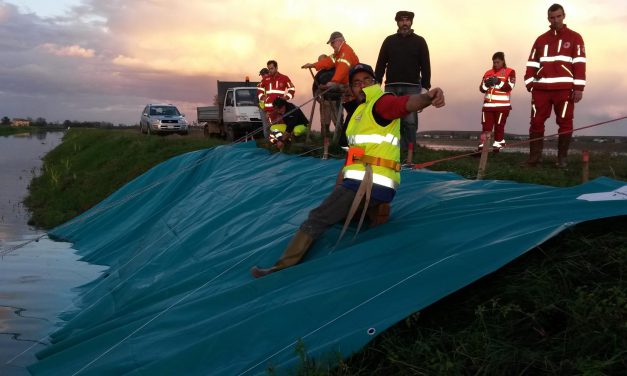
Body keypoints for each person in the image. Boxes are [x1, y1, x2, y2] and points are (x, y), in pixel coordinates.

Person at [251, 63, 445, 278]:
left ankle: (281, 268)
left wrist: (428, 97)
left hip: (371, 181)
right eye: (356, 83)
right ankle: (375, 212)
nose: (361, 85)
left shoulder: (381, 102)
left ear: (375, 83)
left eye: (366, 80)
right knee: (340, 213)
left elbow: (404, 104)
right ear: (351, 88)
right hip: (361, 180)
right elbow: (354, 154)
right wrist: (339, 184)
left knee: (318, 217)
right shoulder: (360, 113)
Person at [523, 3, 586, 168]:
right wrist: (530, 83)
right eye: (552, 17)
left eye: (558, 16)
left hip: (564, 89)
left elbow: (580, 63)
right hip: (541, 90)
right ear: (548, 18)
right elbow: (532, 62)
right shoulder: (541, 39)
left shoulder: (575, 37)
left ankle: (562, 159)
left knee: (565, 123)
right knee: (536, 122)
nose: (556, 20)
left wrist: (578, 88)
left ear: (564, 16)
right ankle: (534, 158)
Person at [375, 10, 431, 165]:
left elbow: (425, 65)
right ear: (397, 22)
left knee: (410, 122)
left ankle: (409, 157)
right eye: (402, 20)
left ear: (411, 22)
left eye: (407, 20)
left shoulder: (420, 41)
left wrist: (425, 88)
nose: (405, 23)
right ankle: (391, 152)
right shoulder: (389, 41)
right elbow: (381, 62)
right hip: (391, 86)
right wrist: (376, 82)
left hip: (412, 87)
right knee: (390, 120)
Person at [478, 52, 516, 152]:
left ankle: (498, 148)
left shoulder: (510, 72)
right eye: (494, 62)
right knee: (486, 127)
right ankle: (482, 148)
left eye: (497, 62)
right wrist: (486, 84)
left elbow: (509, 87)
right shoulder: (487, 73)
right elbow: (481, 89)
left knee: (499, 127)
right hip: (487, 106)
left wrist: (498, 82)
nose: (495, 64)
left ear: (503, 61)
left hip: (502, 106)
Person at [257, 60, 296, 139]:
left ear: (276, 67)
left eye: (272, 68)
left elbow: (292, 88)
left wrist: (287, 97)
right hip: (268, 109)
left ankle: (282, 143)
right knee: (270, 129)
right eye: (269, 69)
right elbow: (259, 87)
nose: (270, 71)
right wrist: (262, 97)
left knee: (281, 127)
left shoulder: (284, 78)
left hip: (280, 109)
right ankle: (272, 145)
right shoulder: (266, 79)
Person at [312, 54, 342, 141]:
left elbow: (342, 84)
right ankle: (324, 141)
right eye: (319, 62)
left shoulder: (337, 70)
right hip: (324, 101)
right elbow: (315, 87)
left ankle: (339, 142)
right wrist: (317, 98)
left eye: (322, 62)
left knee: (338, 123)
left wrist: (326, 87)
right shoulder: (319, 74)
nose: (320, 64)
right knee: (324, 123)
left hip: (336, 101)